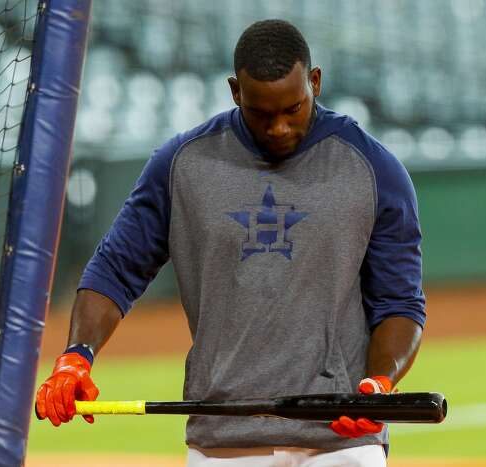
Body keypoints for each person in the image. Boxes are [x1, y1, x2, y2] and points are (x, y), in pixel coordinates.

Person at [35, 19, 425, 466]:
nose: (278, 127)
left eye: (293, 108)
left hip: (339, 444)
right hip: (224, 442)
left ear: (315, 82)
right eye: (262, 113)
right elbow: (113, 269)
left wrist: (378, 385)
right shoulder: (181, 164)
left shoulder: (375, 169)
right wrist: (75, 357)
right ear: (235, 90)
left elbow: (399, 304)